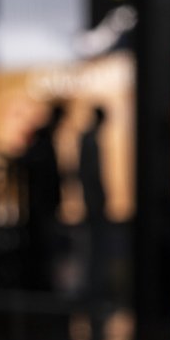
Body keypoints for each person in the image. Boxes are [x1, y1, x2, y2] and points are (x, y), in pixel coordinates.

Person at [22, 104, 64, 290]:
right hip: (41, 202)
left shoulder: (46, 139)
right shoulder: (43, 140)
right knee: (42, 245)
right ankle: (40, 282)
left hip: (44, 202)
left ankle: (42, 280)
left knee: (45, 245)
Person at [78, 106, 109, 297]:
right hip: (92, 196)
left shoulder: (90, 138)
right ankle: (93, 284)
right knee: (93, 243)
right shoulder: (89, 139)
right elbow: (90, 172)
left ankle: (95, 282)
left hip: (93, 195)